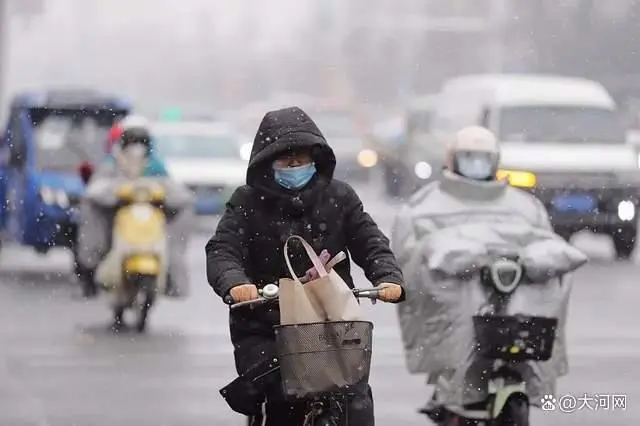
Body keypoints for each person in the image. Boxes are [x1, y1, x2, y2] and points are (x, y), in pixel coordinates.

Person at [206, 106, 405, 426]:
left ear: (317, 159)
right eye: (286, 159)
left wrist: (388, 277)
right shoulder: (246, 202)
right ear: (268, 163)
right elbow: (222, 250)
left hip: (333, 325)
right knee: (281, 397)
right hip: (266, 325)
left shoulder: (340, 197)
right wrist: (234, 283)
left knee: (355, 402)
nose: (295, 165)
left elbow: (370, 241)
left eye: (301, 158)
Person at [391, 126, 556, 425]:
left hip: (511, 308)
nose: (476, 164)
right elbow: (410, 261)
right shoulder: (426, 206)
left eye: (483, 157)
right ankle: (453, 399)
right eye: (469, 156)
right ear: (453, 159)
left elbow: (548, 250)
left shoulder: (524, 206)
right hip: (456, 313)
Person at [77, 123, 193, 299]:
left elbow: (177, 194)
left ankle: (171, 276)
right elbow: (95, 191)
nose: (136, 150)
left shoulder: (155, 166)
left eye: (141, 143)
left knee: (173, 244)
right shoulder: (112, 164)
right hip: (118, 218)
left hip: (149, 220)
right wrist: (116, 193)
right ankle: (91, 271)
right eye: (133, 143)